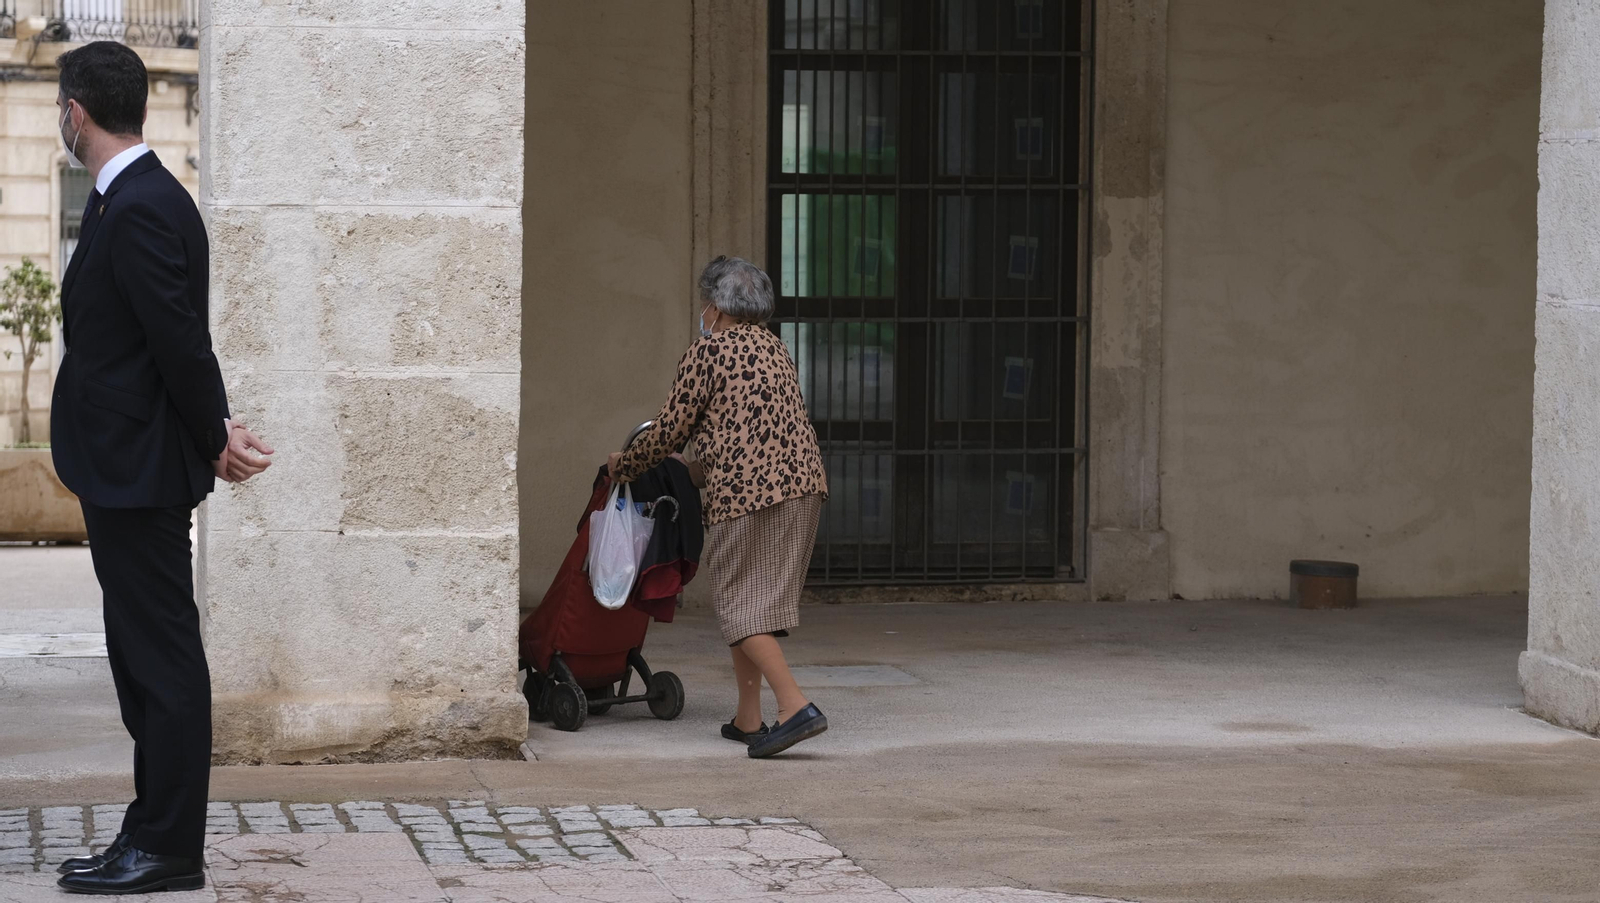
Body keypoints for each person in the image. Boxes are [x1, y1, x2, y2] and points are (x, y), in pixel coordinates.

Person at [48, 42, 274, 895]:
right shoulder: (131, 198)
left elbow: (180, 341)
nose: (59, 121)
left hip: (138, 472)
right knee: (142, 659)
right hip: (124, 467)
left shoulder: (139, 203)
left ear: (78, 111)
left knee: (162, 661)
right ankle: (149, 831)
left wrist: (216, 431)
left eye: (59, 110)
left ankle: (168, 845)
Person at [609, 256, 830, 759]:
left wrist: (624, 464)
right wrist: (701, 468)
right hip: (804, 489)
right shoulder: (776, 349)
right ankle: (747, 718)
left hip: (748, 496)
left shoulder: (708, 354)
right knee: (758, 603)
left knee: (737, 607)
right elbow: (751, 427)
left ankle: (794, 706)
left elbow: (667, 431)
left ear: (714, 307)